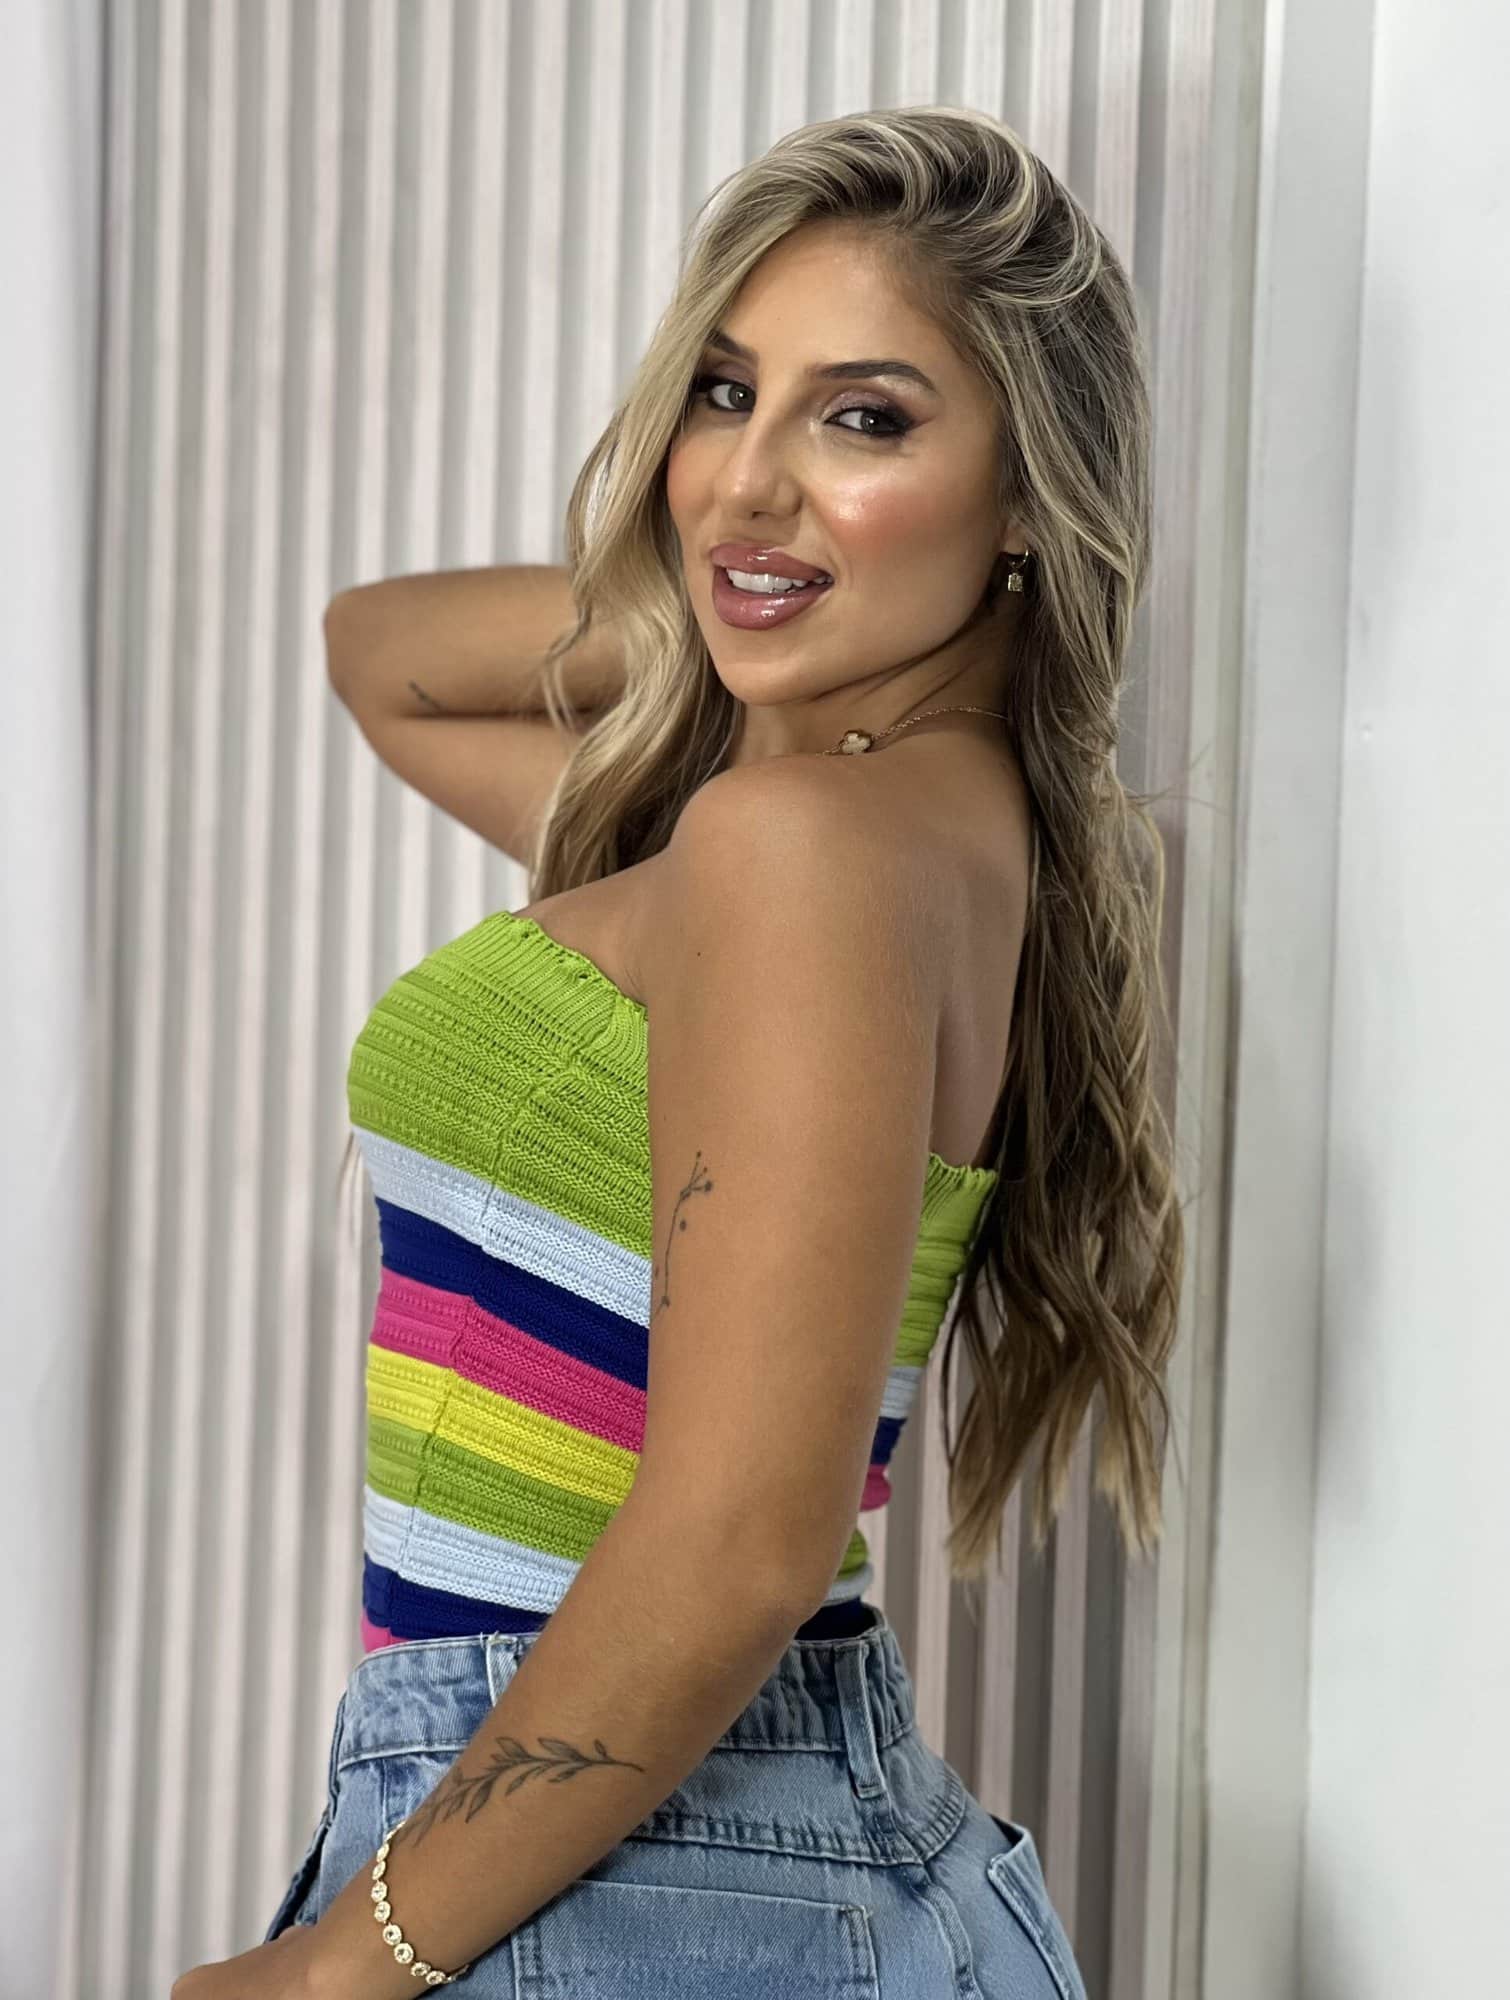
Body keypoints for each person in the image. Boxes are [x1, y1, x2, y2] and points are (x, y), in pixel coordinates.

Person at [173, 103, 1180, 2000]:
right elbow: (380, 653)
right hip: (667, 1843)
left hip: (644, 1851)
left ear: (1027, 496)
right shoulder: (849, 837)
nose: (745, 481)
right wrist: (721, 592)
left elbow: (741, 1536)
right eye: (724, 395)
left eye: (863, 419)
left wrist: (334, 1970)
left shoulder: (799, 853)